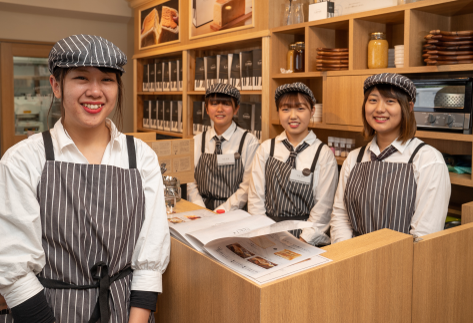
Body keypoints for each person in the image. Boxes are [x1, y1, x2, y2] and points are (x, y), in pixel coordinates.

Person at [0, 34, 170, 323]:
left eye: (107, 80)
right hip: (48, 313)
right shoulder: (23, 160)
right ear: (56, 85)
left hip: (123, 312)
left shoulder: (140, 157)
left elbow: (150, 254)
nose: (95, 91)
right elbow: (12, 269)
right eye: (81, 78)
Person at [329, 73, 450, 243]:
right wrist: (348, 257)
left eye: (390, 101)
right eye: (373, 100)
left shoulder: (428, 160)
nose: (379, 108)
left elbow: (425, 234)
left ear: (408, 107)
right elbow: (341, 216)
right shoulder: (354, 159)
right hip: (354, 260)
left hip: (402, 263)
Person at [246, 82, 338, 245]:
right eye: (286, 109)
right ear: (278, 112)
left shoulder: (323, 154)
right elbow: (255, 200)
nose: (293, 116)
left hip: (306, 238)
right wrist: (265, 237)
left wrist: (302, 241)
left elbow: (323, 210)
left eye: (300, 108)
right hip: (267, 234)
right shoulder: (267, 149)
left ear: (312, 111)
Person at [187, 83, 259, 211]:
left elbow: (247, 186)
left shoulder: (249, 142)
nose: (220, 109)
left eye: (226, 104)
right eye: (214, 104)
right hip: (200, 212)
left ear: (236, 109)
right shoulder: (197, 140)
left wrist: (222, 211)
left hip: (233, 214)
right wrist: (201, 210)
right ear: (207, 109)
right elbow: (190, 183)